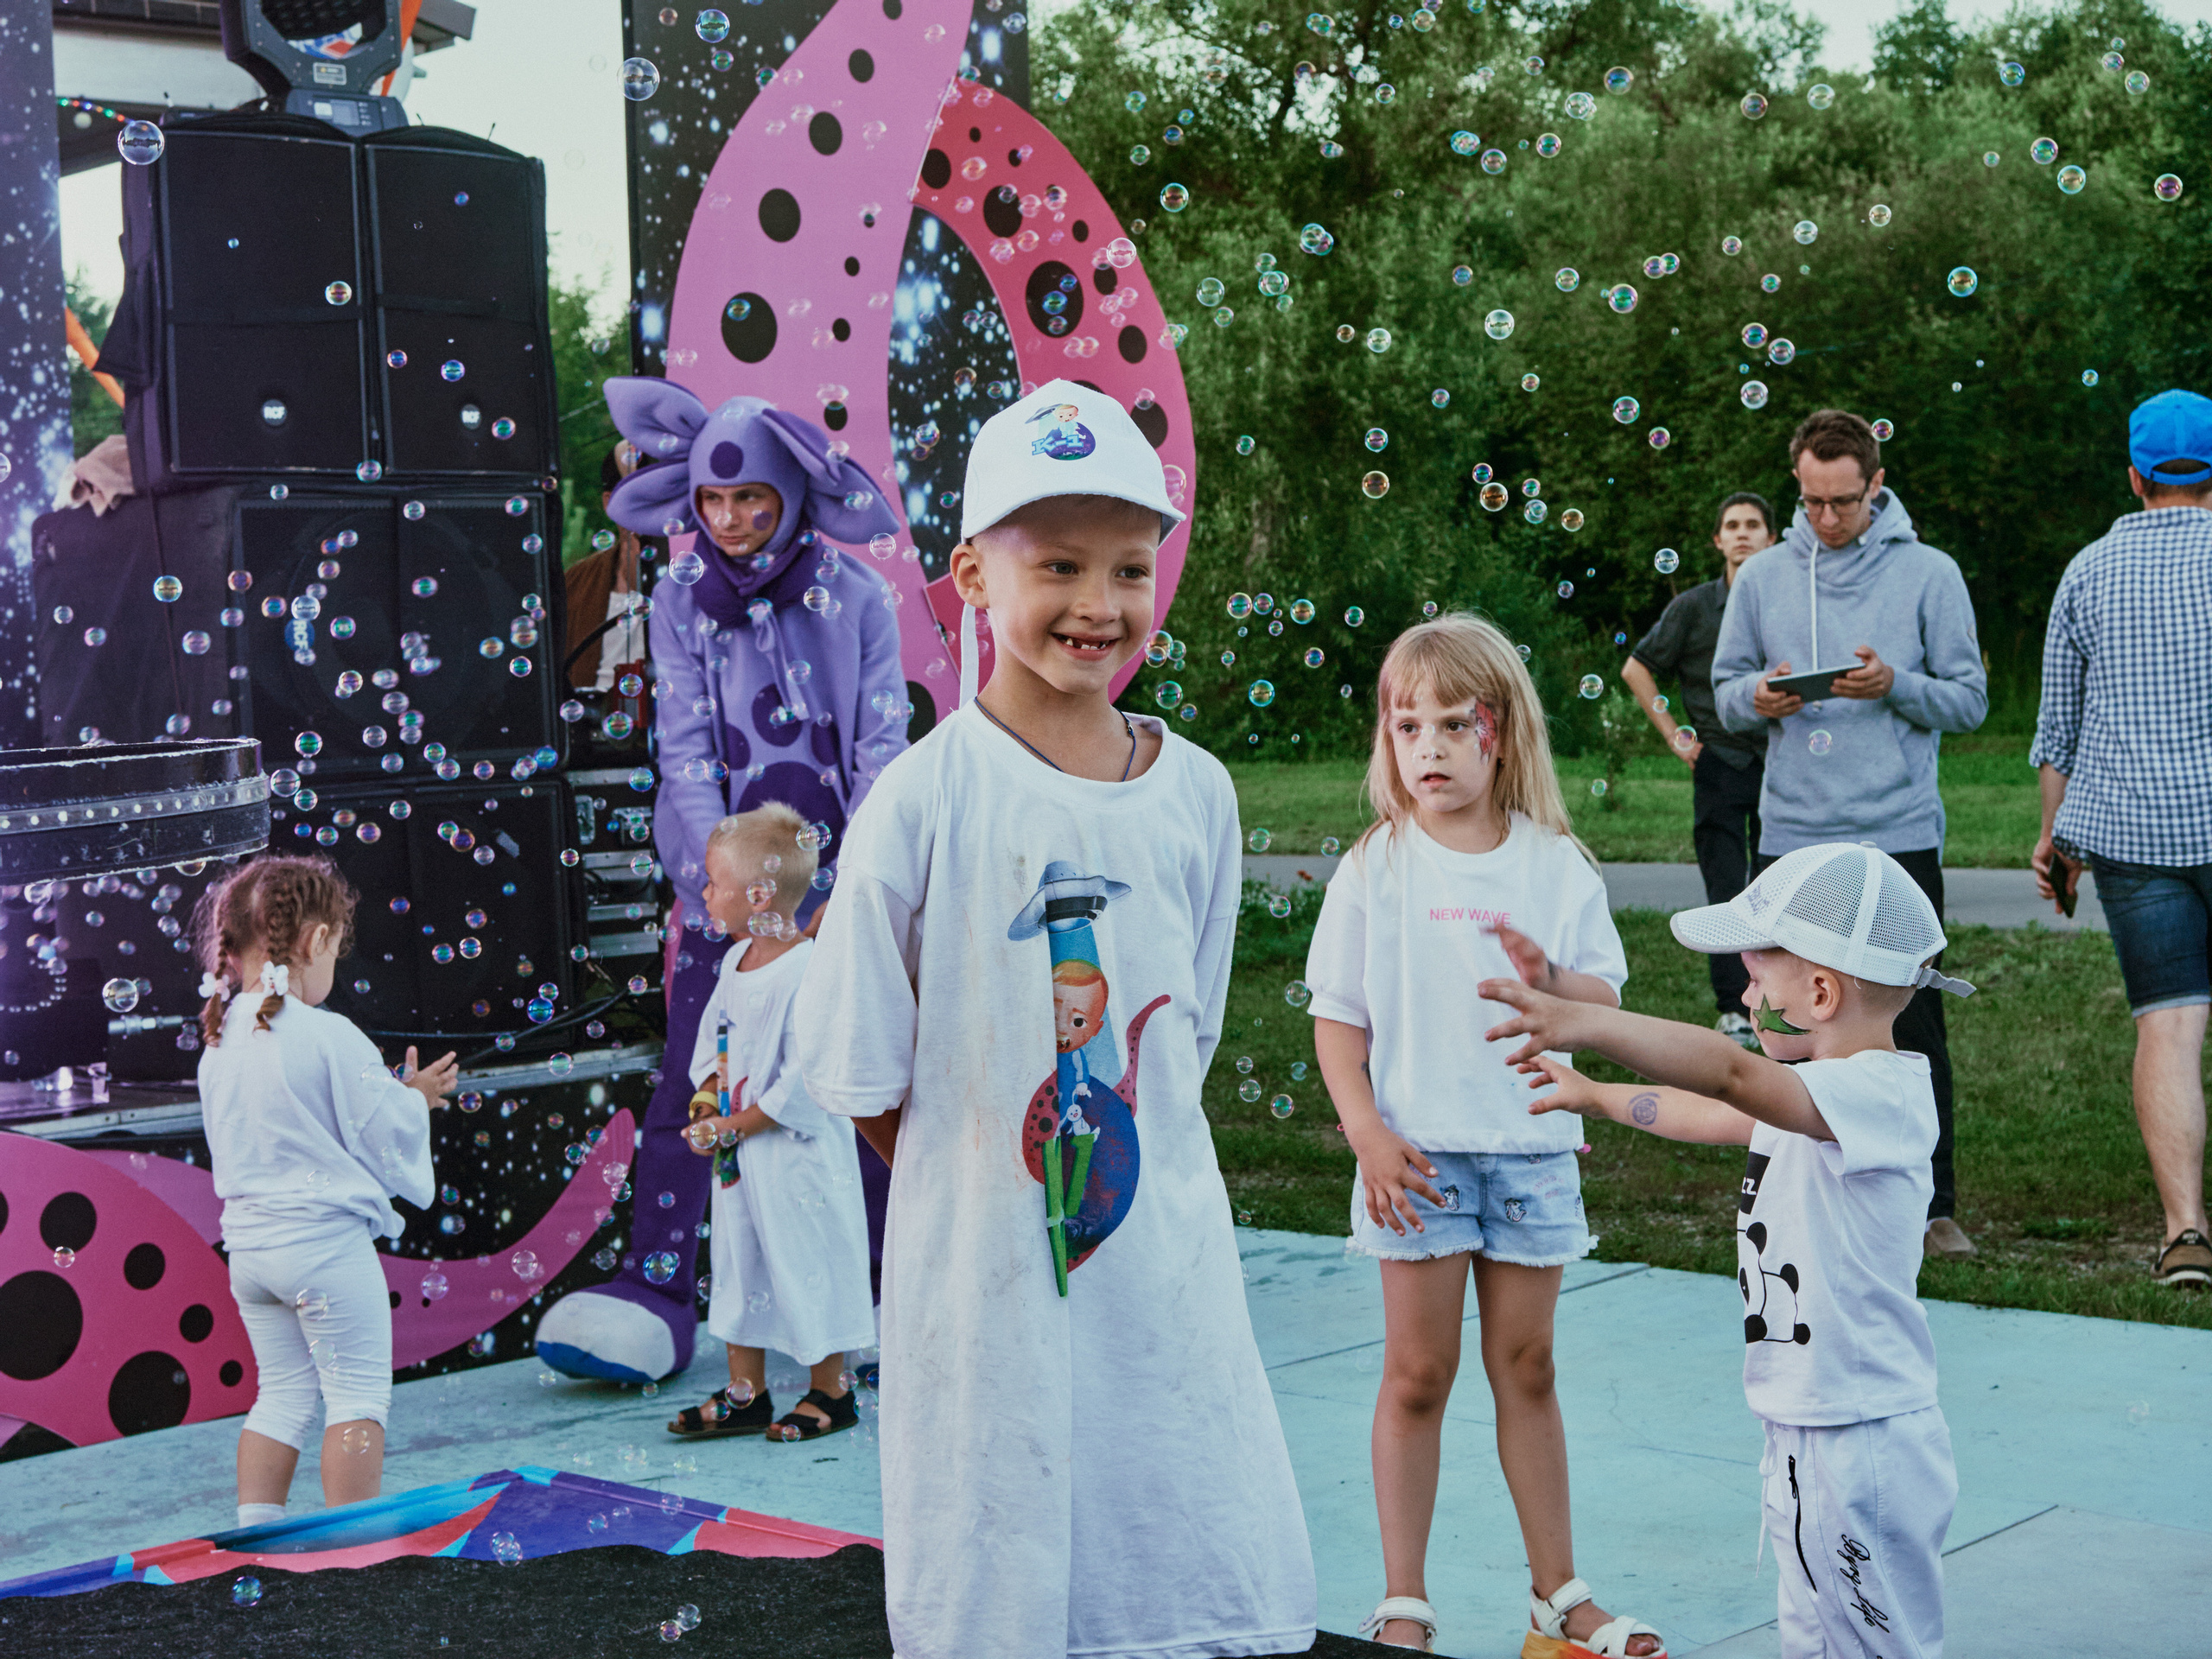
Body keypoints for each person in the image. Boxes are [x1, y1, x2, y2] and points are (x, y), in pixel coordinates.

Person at [798, 380, 1316, 1659]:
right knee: (1000, 1555)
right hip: (982, 1283)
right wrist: (992, 1190)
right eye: (1061, 566)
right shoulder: (921, 800)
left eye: (1130, 568)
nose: (1101, 603)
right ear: (974, 575)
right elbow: (863, 1063)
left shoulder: (1197, 793)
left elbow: (1184, 1030)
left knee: (1176, 1533)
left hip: (1164, 1259)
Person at [1482, 842, 1971, 1659]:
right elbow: (1705, 1110)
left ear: (1821, 993)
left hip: (1858, 1439)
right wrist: (1595, 1096)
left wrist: (1583, 1023)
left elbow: (1729, 1079)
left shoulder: (1873, 1093)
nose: (1745, 999)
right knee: (1815, 1639)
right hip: (1809, 1427)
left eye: (1754, 979)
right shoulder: (1811, 1099)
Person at [534, 381, 907, 1387]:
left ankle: (885, 1290)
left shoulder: (859, 599)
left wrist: (844, 889)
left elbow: (882, 751)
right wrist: (724, 881)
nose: (731, 520)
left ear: (791, 494)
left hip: (839, 897)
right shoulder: (678, 601)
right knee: (697, 1082)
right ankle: (656, 1288)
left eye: (752, 499)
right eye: (712, 501)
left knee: (857, 1084)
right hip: (725, 901)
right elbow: (686, 749)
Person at [1305, 614, 1662, 1659]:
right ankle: (1403, 1602)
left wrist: (1554, 981)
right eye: (1405, 725)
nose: (1428, 747)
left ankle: (1558, 1597)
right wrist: (1366, 1134)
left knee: (1529, 1369)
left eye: (1453, 724)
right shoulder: (1376, 866)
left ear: (1499, 733)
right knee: (1417, 1376)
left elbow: (1604, 999)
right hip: (1413, 1159)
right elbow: (1338, 1020)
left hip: (1530, 1152)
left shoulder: (1554, 867)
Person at [1712, 408, 1987, 1262]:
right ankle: (1793, 1191)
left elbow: (1970, 700)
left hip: (1894, 831)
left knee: (1909, 1023)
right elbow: (1723, 693)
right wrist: (1757, 696)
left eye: (1844, 501)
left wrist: (1894, 684)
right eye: (1812, 502)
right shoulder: (1764, 576)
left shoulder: (1929, 572)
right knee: (1783, 1021)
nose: (1827, 518)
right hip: (1794, 831)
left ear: (1876, 485)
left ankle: (1932, 1205)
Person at [192, 855, 459, 1531]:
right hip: (324, 1252)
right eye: (337, 947)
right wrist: (417, 1099)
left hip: (251, 1255)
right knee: (357, 1398)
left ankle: (257, 1534)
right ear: (314, 941)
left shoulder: (218, 1041)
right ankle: (355, 1551)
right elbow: (381, 1129)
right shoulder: (328, 1033)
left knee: (280, 1395)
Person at [2030, 388, 2212, 1290]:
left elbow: (2057, 733)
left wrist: (2053, 842)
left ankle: (2186, 1235)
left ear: (2134, 478)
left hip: (2134, 840)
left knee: (2168, 1026)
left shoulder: (2088, 570)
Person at [664, 803, 874, 1442]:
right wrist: (707, 1104)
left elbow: (806, 1079)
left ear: (757, 895)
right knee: (739, 1265)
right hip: (744, 1159)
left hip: (799, 1162)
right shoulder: (735, 965)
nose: (704, 893)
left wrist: (730, 1126)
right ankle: (745, 1392)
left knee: (809, 1260)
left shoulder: (807, 970)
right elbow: (715, 1048)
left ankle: (832, 1390)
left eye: (714, 883)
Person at [1623, 492, 1777, 1046]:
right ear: (1718, 540)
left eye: (1753, 524)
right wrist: (1675, 735)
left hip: (1781, 763)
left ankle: (1779, 1003)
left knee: (1779, 886)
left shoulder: (1785, 602)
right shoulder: (1693, 608)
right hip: (1718, 761)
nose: (1742, 533)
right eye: (1732, 525)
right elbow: (1637, 668)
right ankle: (1735, 1010)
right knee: (1727, 888)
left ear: (1772, 538)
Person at [563, 445, 649, 693]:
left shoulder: (687, 578)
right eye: (636, 491)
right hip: (593, 713)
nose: (649, 502)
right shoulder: (576, 581)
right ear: (609, 502)